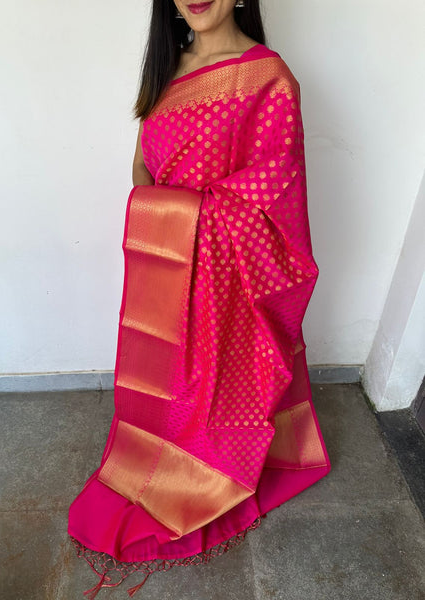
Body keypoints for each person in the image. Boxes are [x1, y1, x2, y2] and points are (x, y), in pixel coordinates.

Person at [68, 1, 331, 597]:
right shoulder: (167, 71)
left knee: (214, 391)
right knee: (165, 391)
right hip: (168, 271)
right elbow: (143, 165)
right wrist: (165, 223)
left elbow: (277, 191)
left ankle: (211, 468)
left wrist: (192, 223)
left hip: (226, 281)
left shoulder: (267, 78)